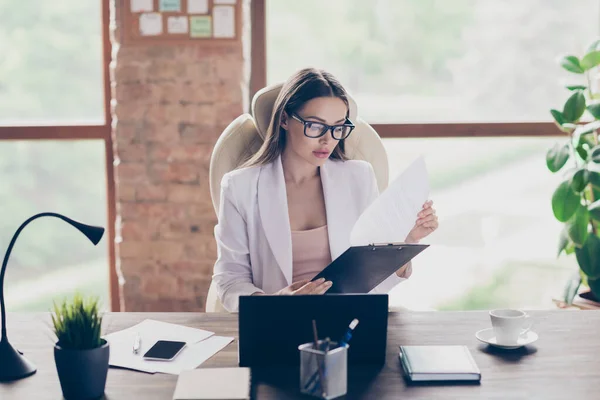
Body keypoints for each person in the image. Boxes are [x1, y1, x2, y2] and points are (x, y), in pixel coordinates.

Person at [212, 68, 438, 312]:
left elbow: (374, 278)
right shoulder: (240, 186)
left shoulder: (358, 177)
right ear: (285, 119)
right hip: (278, 321)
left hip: (348, 319)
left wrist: (408, 241)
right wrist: (275, 302)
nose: (328, 140)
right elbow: (229, 280)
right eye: (315, 126)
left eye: (338, 127)